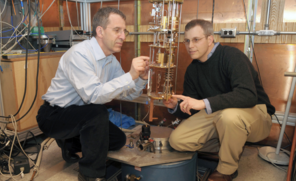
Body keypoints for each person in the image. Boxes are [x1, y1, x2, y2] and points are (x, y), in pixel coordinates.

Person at [36, 7, 149, 181]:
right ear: (100, 31)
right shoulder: (79, 54)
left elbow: (128, 94)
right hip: (53, 116)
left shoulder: (110, 60)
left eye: (124, 31)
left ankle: (70, 143)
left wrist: (140, 79)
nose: (123, 37)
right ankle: (90, 175)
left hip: (80, 115)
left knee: (117, 140)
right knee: (97, 112)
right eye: (117, 30)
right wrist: (131, 75)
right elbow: (94, 96)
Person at [163, 19, 275, 181]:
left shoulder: (231, 56)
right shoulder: (192, 70)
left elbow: (248, 95)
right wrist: (176, 107)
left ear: (210, 39)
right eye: (187, 41)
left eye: (196, 40)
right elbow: (192, 110)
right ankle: (231, 143)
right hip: (218, 114)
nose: (190, 46)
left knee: (229, 117)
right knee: (177, 141)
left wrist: (203, 103)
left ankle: (226, 170)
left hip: (255, 113)